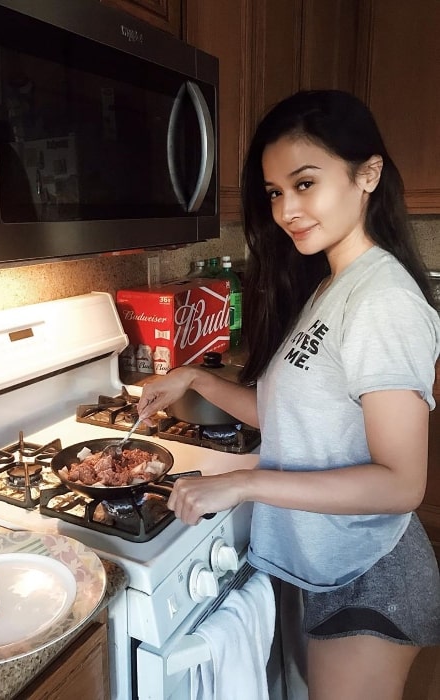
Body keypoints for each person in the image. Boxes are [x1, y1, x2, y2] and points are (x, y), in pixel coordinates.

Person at [137, 90, 440, 699]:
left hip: (371, 576)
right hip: (329, 563)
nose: (286, 209)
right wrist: (195, 378)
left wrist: (243, 481)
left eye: (305, 183)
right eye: (276, 191)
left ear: (368, 175)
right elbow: (286, 416)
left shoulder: (381, 300)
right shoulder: (333, 283)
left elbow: (401, 483)